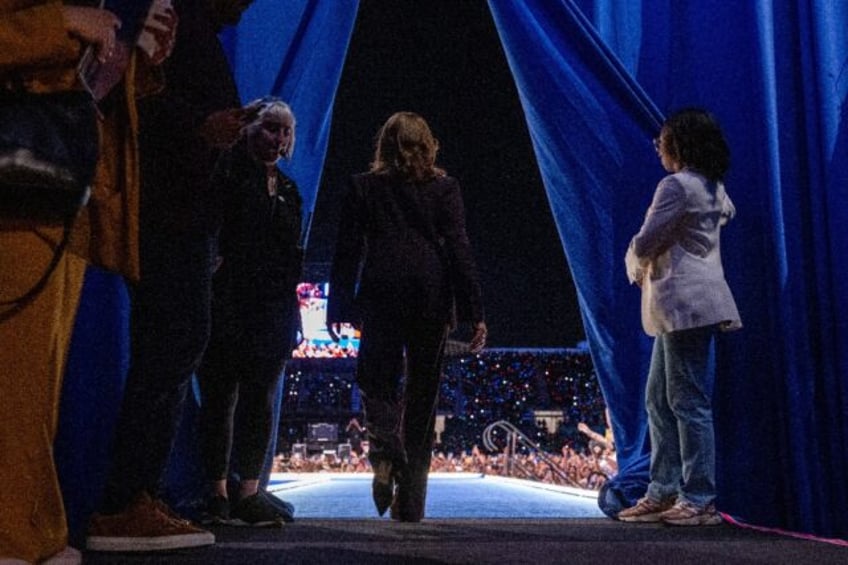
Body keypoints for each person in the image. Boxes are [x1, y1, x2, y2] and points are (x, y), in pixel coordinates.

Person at [0, 1, 174, 562]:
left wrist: (128, 55)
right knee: (18, 378)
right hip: (21, 182)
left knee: (36, 384)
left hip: (55, 184)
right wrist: (65, 23)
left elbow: (81, 80)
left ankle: (31, 533)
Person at [86, 0, 256, 553]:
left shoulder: (192, 26)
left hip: (184, 216)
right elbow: (137, 97)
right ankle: (124, 500)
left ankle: (136, 494)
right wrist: (203, 126)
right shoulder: (173, 19)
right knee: (171, 346)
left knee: (173, 348)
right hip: (168, 214)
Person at [326, 111, 487, 522]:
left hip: (381, 291)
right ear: (429, 145)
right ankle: (411, 502)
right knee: (422, 395)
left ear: (383, 146)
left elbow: (347, 251)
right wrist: (474, 311)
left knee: (374, 378)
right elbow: (459, 249)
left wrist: (339, 305)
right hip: (431, 294)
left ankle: (385, 453)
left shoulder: (363, 187)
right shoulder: (445, 188)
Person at [618, 108, 742, 526]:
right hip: (688, 306)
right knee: (659, 399)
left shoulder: (676, 186)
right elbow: (724, 215)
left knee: (688, 402)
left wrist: (633, 260)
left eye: (663, 140)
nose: (658, 147)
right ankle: (663, 489)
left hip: (686, 304)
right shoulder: (712, 187)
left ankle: (699, 498)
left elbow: (648, 239)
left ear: (679, 145)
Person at [196, 97, 301, 527]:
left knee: (259, 402)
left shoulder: (290, 189)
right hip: (228, 305)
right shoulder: (228, 175)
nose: (278, 138)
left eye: (285, 131)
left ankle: (249, 492)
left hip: (272, 312)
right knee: (220, 399)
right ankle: (216, 493)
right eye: (270, 128)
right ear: (249, 129)